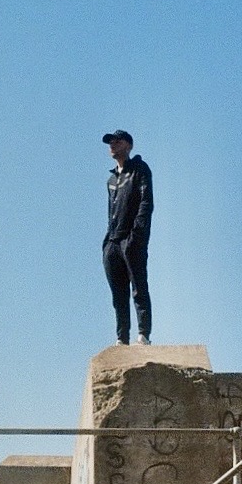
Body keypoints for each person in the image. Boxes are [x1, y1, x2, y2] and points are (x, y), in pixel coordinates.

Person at [102, 130, 153, 345]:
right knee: (118, 294)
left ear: (129, 145)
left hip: (132, 240)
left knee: (138, 287)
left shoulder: (140, 169)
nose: (112, 145)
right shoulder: (111, 180)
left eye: (117, 141)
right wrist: (107, 244)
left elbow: (146, 203)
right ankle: (122, 338)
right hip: (112, 243)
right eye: (110, 142)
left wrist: (137, 235)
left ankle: (143, 335)